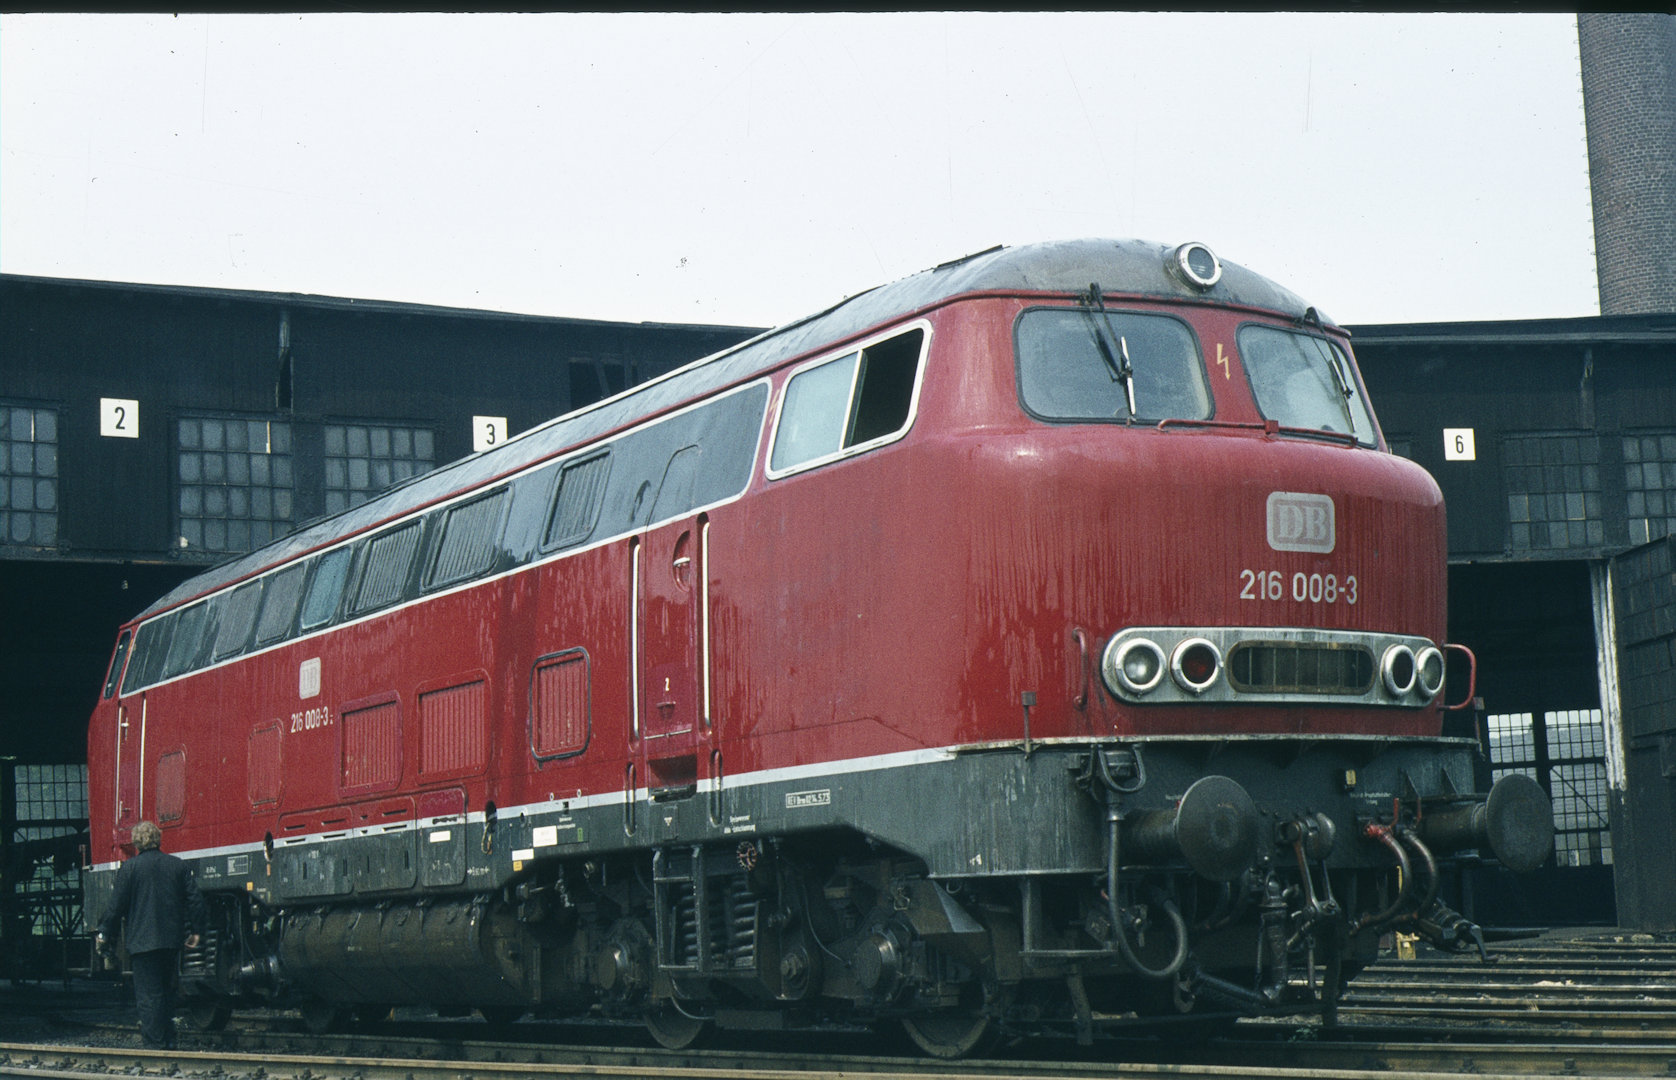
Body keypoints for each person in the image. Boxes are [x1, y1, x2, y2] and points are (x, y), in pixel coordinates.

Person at [95, 821, 207, 1050]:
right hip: (171, 941)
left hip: (142, 943)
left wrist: (105, 933)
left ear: (136, 842)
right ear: (159, 839)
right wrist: (196, 931)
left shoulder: (129, 869)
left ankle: (155, 1045)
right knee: (168, 992)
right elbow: (196, 901)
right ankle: (169, 1040)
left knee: (149, 996)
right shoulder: (177, 865)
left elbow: (116, 906)